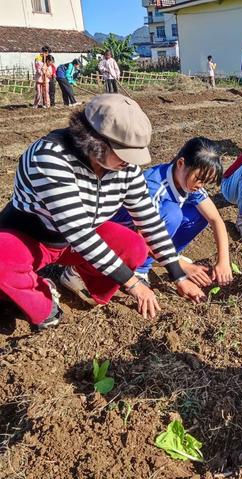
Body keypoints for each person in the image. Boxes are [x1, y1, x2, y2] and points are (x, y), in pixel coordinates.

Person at [0, 94, 205, 330]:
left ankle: (81, 281)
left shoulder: (125, 169)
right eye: (124, 154)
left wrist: (178, 275)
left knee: (133, 247)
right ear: (94, 141)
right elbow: (80, 233)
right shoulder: (50, 157)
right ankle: (44, 297)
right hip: (32, 237)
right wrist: (133, 283)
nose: (130, 163)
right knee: (5, 266)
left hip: (78, 239)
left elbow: (149, 220)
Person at [112, 137, 233, 288]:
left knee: (199, 215)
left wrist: (223, 261)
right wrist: (183, 267)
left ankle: (167, 257)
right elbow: (145, 235)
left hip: (153, 238)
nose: (201, 185)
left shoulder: (187, 181)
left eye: (205, 182)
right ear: (181, 163)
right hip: (124, 235)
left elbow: (215, 219)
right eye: (199, 179)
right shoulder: (154, 188)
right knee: (173, 214)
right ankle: (140, 267)